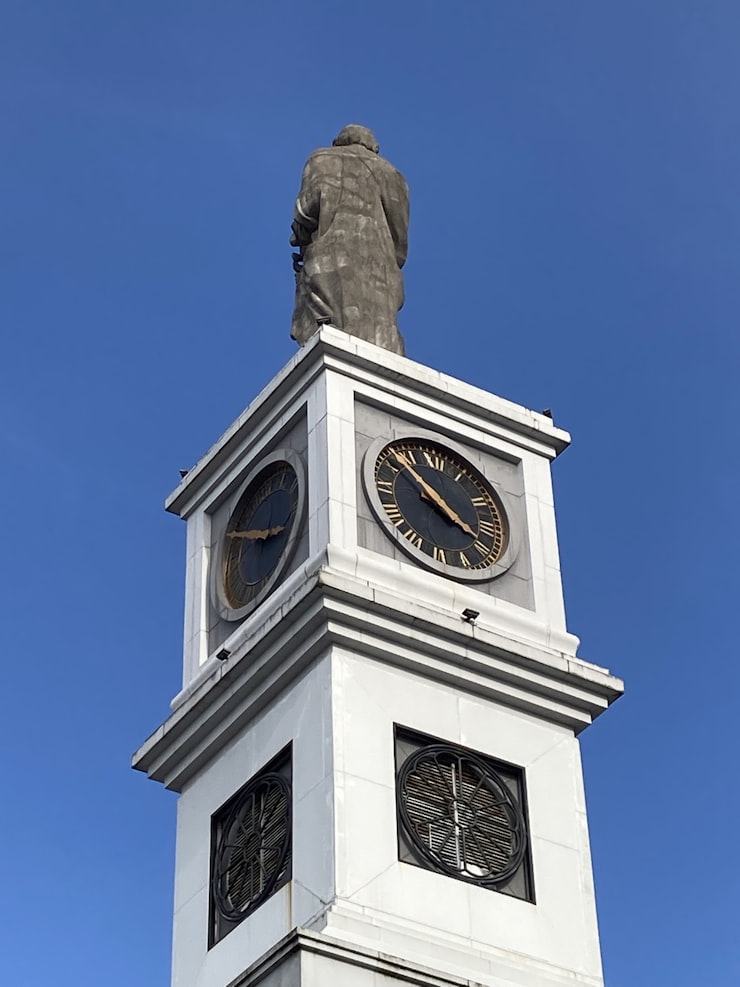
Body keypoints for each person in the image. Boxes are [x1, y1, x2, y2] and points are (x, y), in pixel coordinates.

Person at [290, 125, 409, 355]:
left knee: (331, 329)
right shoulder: (394, 176)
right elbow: (399, 238)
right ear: (373, 147)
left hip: (329, 259)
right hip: (380, 269)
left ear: (339, 142)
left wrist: (299, 236)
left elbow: (305, 210)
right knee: (381, 336)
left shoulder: (321, 159)